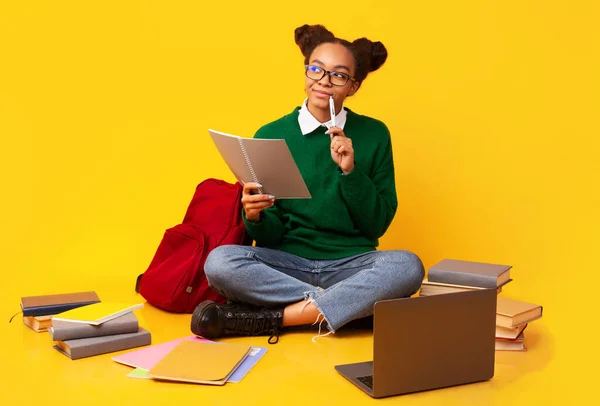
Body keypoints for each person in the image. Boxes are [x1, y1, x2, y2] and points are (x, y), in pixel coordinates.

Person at [191, 24, 424, 344]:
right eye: (317, 69)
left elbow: (376, 224)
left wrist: (350, 171)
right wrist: (255, 215)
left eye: (338, 75)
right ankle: (350, 307)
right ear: (306, 74)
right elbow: (271, 235)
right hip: (286, 265)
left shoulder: (374, 134)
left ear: (352, 87)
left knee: (408, 266)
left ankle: (280, 317)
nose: (324, 81)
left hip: (351, 264)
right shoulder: (271, 133)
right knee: (220, 262)